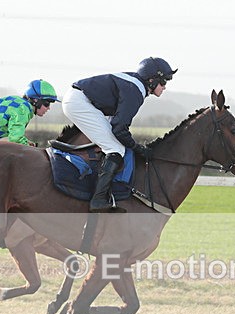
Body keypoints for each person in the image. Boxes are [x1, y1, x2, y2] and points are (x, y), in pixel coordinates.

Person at [62, 57, 177, 212]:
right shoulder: (135, 90)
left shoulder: (136, 86)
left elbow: (118, 126)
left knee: (114, 146)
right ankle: (98, 199)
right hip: (80, 102)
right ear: (151, 80)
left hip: (81, 100)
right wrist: (138, 148)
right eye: (163, 82)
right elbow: (119, 129)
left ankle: (103, 190)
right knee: (116, 149)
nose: (164, 87)